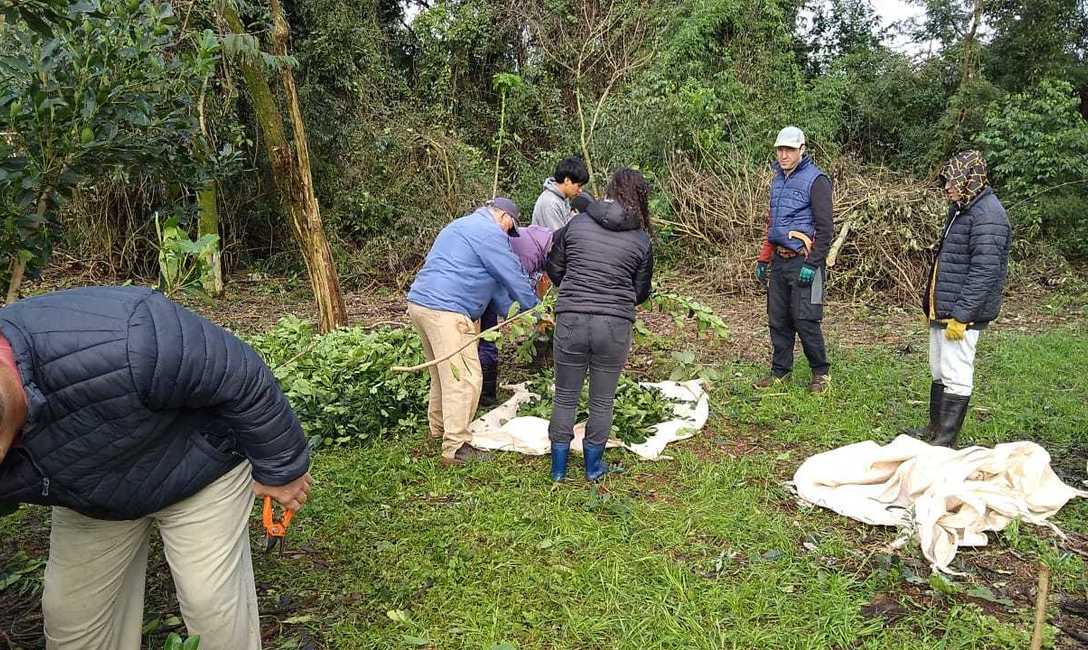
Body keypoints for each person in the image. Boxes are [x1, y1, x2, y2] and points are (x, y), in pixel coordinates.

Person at [0, 286, 312, 650]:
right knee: (72, 619)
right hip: (92, 490)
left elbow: (240, 373)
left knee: (209, 604)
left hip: (198, 467)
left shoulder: (127, 336)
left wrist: (283, 468)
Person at [407, 197, 539, 464]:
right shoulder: (490, 233)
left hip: (421, 303)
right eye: (509, 228)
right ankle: (457, 446)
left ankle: (439, 429)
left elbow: (498, 293)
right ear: (503, 216)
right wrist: (537, 308)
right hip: (447, 310)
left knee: (443, 374)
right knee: (465, 377)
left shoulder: (461, 226)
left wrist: (518, 315)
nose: (508, 236)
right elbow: (513, 275)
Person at [546, 168, 654, 482]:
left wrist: (576, 290)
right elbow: (641, 291)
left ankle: (558, 469)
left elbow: (555, 268)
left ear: (608, 190)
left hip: (571, 319)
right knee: (602, 400)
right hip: (614, 326)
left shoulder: (576, 224)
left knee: (565, 395)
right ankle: (593, 467)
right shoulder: (641, 238)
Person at [905, 151, 1010, 447]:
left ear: (969, 180)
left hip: (962, 314)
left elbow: (985, 271)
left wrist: (963, 315)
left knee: (956, 373)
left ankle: (945, 441)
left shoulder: (989, 215)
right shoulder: (962, 209)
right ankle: (934, 431)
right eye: (946, 181)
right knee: (939, 370)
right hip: (945, 308)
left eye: (952, 181)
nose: (947, 187)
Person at [754, 126, 834, 393]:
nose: (783, 155)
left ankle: (821, 374)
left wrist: (813, 265)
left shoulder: (816, 179)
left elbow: (825, 229)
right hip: (780, 261)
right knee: (778, 319)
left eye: (789, 149)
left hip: (805, 259)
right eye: (780, 149)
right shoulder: (777, 180)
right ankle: (780, 372)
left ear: (802, 150)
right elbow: (774, 224)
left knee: (806, 319)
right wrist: (764, 258)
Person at [478, 225, 554, 406]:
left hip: (486, 286)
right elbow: (515, 285)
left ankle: (485, 393)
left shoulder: (539, 242)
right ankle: (485, 396)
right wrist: (533, 314)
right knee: (486, 338)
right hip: (484, 290)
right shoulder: (530, 251)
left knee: (487, 337)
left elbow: (532, 280)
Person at [531, 156, 590, 230]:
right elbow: (557, 237)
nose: (580, 190)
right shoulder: (550, 203)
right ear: (567, 180)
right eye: (579, 186)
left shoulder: (562, 198)